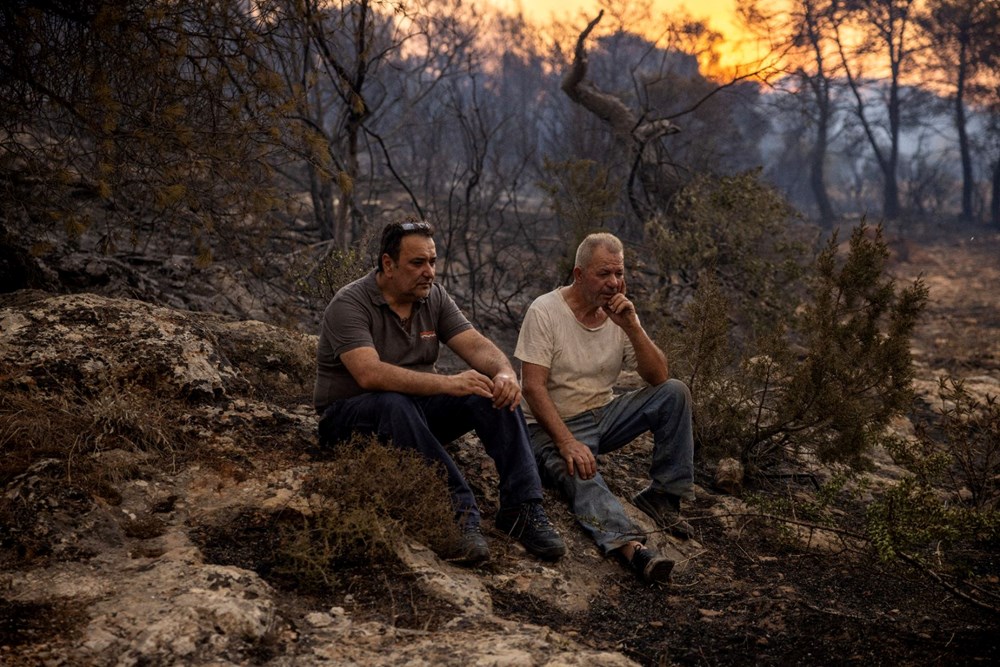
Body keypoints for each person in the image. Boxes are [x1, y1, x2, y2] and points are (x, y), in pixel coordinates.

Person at [313, 217, 566, 565]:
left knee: (486, 391)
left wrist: (505, 373)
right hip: (349, 420)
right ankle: (457, 515)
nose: (429, 271)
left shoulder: (432, 297)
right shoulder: (350, 304)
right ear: (388, 264)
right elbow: (369, 374)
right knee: (393, 401)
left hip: (412, 416)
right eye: (417, 263)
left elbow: (477, 347)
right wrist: (448, 383)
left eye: (432, 261)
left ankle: (522, 508)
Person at [515, 232, 695, 584]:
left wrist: (632, 326)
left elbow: (658, 376)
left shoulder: (619, 314)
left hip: (603, 415)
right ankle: (632, 548)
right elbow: (532, 387)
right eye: (604, 274)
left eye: (619, 273)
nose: (614, 283)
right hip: (549, 426)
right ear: (579, 275)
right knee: (581, 473)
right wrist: (566, 441)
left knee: (675, 393)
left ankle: (664, 495)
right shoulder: (546, 310)